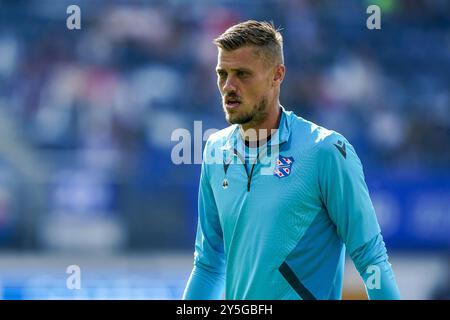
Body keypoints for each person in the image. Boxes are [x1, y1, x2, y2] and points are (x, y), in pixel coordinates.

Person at [183, 20, 400, 300]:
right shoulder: (215, 150)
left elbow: (371, 257)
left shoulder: (325, 151)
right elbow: (208, 265)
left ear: (277, 75)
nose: (228, 86)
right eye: (222, 74)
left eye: (242, 74)